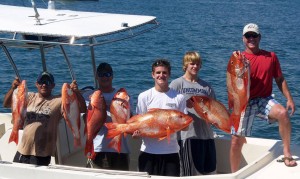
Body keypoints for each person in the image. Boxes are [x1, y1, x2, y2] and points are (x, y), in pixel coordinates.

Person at [230, 23, 297, 172]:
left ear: (260, 37)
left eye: (254, 35)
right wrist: (239, 68)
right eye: (248, 36)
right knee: (235, 141)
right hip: (244, 102)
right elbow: (233, 83)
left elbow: (280, 79)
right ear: (243, 39)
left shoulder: (271, 56)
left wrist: (289, 99)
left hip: (264, 99)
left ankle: (287, 153)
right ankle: (234, 174)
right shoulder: (238, 58)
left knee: (283, 113)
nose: (251, 38)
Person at [3, 71, 86, 166]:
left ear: (53, 85)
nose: (44, 85)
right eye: (41, 82)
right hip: (22, 151)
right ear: (36, 84)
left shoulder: (58, 101)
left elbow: (82, 109)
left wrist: (76, 93)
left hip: (41, 154)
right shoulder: (29, 97)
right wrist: (13, 88)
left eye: (47, 82)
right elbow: (6, 104)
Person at [134, 59, 187, 176]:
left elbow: (186, 127)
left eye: (164, 72)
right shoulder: (144, 96)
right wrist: (136, 134)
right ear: (153, 75)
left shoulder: (179, 97)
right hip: (148, 152)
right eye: (158, 73)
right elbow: (138, 122)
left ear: (169, 74)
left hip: (171, 153)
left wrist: (175, 126)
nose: (161, 75)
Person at [169, 51, 217, 176]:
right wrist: (184, 104)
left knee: (208, 171)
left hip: (207, 136)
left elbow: (215, 109)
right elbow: (168, 109)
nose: (195, 66)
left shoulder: (207, 87)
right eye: (192, 64)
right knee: (190, 174)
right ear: (185, 65)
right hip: (188, 137)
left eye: (197, 64)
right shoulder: (176, 84)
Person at [83, 62, 131, 170]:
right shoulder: (88, 96)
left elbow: (129, 118)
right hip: (98, 147)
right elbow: (84, 116)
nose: (105, 77)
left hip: (120, 149)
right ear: (96, 76)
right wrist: (76, 92)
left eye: (108, 74)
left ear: (112, 76)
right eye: (101, 74)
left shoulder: (123, 97)